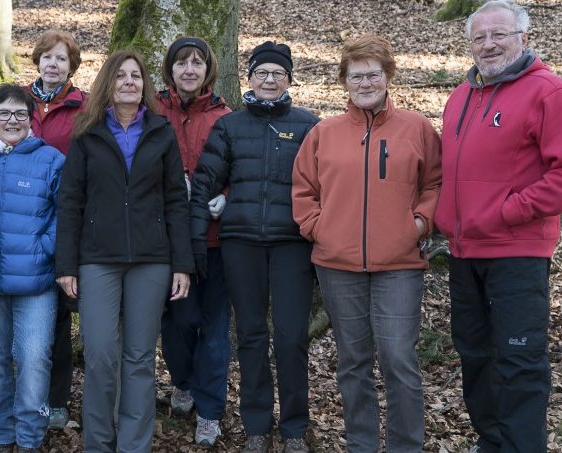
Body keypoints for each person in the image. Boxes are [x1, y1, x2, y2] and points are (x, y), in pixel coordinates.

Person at [437, 2, 562, 451]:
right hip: (464, 252)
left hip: (516, 253)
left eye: (499, 35)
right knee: (474, 356)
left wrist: (508, 211)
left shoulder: (549, 92)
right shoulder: (461, 96)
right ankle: (492, 441)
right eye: (479, 37)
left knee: (519, 360)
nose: (488, 44)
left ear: (524, 37)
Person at [291, 35, 441, 452]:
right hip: (337, 265)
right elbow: (303, 190)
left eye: (373, 74)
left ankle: (405, 446)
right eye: (356, 76)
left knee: (398, 360)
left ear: (388, 76)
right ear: (345, 81)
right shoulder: (325, 132)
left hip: (400, 264)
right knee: (353, 363)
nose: (365, 83)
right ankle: (361, 444)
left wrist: (418, 222)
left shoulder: (417, 128)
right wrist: (319, 227)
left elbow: (435, 184)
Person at [56, 50, 193, 453]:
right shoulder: (87, 132)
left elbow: (175, 202)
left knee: (138, 359)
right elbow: (70, 201)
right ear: (108, 85)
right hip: (97, 258)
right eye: (121, 76)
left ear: (145, 85)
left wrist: (182, 264)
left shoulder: (161, 132)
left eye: (136, 76)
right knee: (100, 354)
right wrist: (67, 264)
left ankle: (135, 445)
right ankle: (99, 443)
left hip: (152, 260)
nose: (129, 82)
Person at [191, 41, 319, 453]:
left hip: (292, 245)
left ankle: (296, 427)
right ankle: (257, 426)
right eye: (261, 72)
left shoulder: (309, 125)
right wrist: (197, 232)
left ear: (289, 79)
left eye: (277, 73)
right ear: (249, 78)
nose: (269, 79)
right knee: (249, 335)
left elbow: (327, 186)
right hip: (240, 243)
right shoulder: (230, 125)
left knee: (291, 336)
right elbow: (207, 181)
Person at [0, 84, 66, 453]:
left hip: (36, 282)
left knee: (33, 360)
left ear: (31, 120)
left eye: (20, 114)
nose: (12, 121)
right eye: (3, 114)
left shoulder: (51, 160)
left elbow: (67, 213)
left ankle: (29, 438)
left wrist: (41, 248)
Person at [154, 36, 232, 447]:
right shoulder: (154, 111)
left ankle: (210, 408)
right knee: (181, 321)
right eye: (181, 63)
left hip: (217, 240)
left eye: (197, 63)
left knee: (216, 327)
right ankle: (182, 381)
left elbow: (245, 166)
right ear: (171, 71)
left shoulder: (225, 116)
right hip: (168, 240)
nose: (189, 69)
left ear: (207, 70)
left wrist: (228, 198)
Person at [24, 29, 87, 429]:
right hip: (22, 218)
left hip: (64, 217)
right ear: (37, 61)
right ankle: (27, 397)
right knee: (27, 314)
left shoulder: (84, 108)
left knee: (59, 315)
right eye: (47, 57)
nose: (53, 64)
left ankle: (57, 399)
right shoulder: (18, 103)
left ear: (71, 67)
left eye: (61, 59)